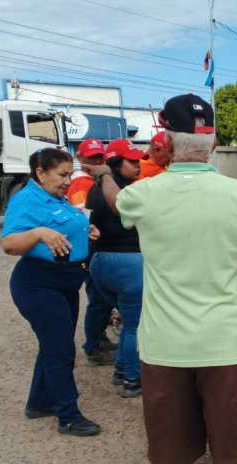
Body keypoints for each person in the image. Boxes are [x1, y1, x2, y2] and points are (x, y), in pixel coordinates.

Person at [115, 94, 237, 464]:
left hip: (164, 347)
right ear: (215, 143)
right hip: (226, 344)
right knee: (229, 458)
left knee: (176, 455)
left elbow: (118, 202)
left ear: (167, 142)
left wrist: (112, 169)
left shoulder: (140, 196)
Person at [0, 148, 101, 437]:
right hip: (38, 284)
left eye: (70, 174)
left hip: (65, 281)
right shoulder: (26, 200)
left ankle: (39, 402)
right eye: (62, 175)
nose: (68, 181)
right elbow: (9, 244)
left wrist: (85, 230)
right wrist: (38, 233)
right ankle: (68, 416)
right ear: (41, 173)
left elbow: (65, 224)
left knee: (52, 345)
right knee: (61, 350)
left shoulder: (56, 196)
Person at [82, 138, 146, 397]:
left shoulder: (94, 190)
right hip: (128, 264)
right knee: (135, 326)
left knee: (128, 322)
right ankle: (133, 379)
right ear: (117, 164)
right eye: (132, 161)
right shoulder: (125, 194)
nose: (138, 165)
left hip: (100, 264)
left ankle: (121, 369)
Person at [67, 139, 118, 367]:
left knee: (102, 301)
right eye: (92, 157)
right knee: (98, 301)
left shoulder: (93, 181)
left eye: (100, 156)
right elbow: (84, 221)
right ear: (80, 158)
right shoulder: (82, 183)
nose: (97, 161)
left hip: (96, 249)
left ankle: (100, 341)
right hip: (90, 250)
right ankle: (94, 348)